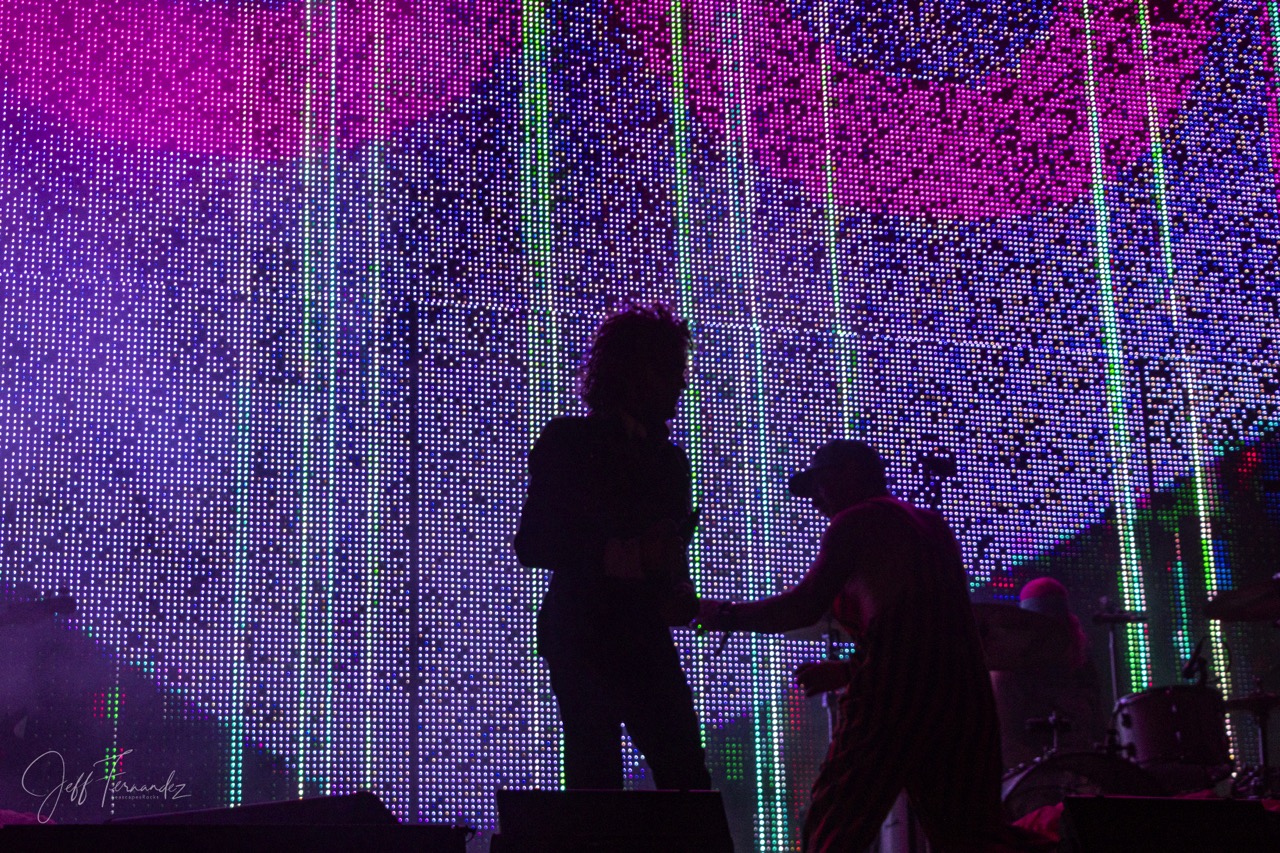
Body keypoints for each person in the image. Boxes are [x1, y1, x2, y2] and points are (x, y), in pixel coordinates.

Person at [698, 439, 1009, 852]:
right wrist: (847, 671)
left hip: (893, 699)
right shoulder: (933, 526)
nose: (815, 500)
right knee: (971, 835)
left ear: (851, 473)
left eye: (820, 484)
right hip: (965, 698)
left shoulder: (855, 521)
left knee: (835, 825)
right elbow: (924, 630)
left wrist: (723, 614)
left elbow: (804, 607)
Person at [514, 303, 711, 791]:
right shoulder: (571, 441)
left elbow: (666, 557)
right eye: (670, 369)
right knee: (604, 781)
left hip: (632, 632)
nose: (681, 384)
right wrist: (633, 556)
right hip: (584, 632)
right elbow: (534, 542)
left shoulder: (670, 461)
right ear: (635, 372)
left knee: (677, 773)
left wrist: (676, 587)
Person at [990, 577, 1106, 769]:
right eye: (1042, 627)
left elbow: (1097, 729)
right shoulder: (1006, 673)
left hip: (1080, 770)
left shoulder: (1081, 666)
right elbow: (1006, 742)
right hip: (1032, 776)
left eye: (1055, 627)